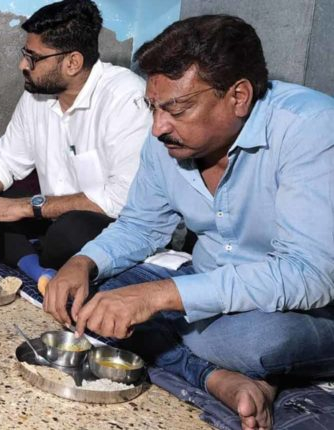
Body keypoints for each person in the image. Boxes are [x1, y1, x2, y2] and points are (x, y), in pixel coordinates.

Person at [45, 15, 334, 430]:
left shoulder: (311, 129)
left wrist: (160, 297)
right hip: (209, 283)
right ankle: (217, 378)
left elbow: (309, 273)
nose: (158, 127)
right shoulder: (166, 140)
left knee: (255, 342)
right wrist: (83, 263)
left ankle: (238, 365)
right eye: (152, 107)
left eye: (177, 109)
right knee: (95, 300)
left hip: (304, 309)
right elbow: (141, 225)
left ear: (238, 96)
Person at [0, 0, 150, 288]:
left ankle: (27, 252)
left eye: (33, 58)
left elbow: (119, 201)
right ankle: (36, 268)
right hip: (46, 215)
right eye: (25, 55)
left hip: (104, 223)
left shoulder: (126, 98)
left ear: (72, 63)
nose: (23, 65)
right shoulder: (37, 96)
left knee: (69, 232)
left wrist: (22, 208)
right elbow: (5, 161)